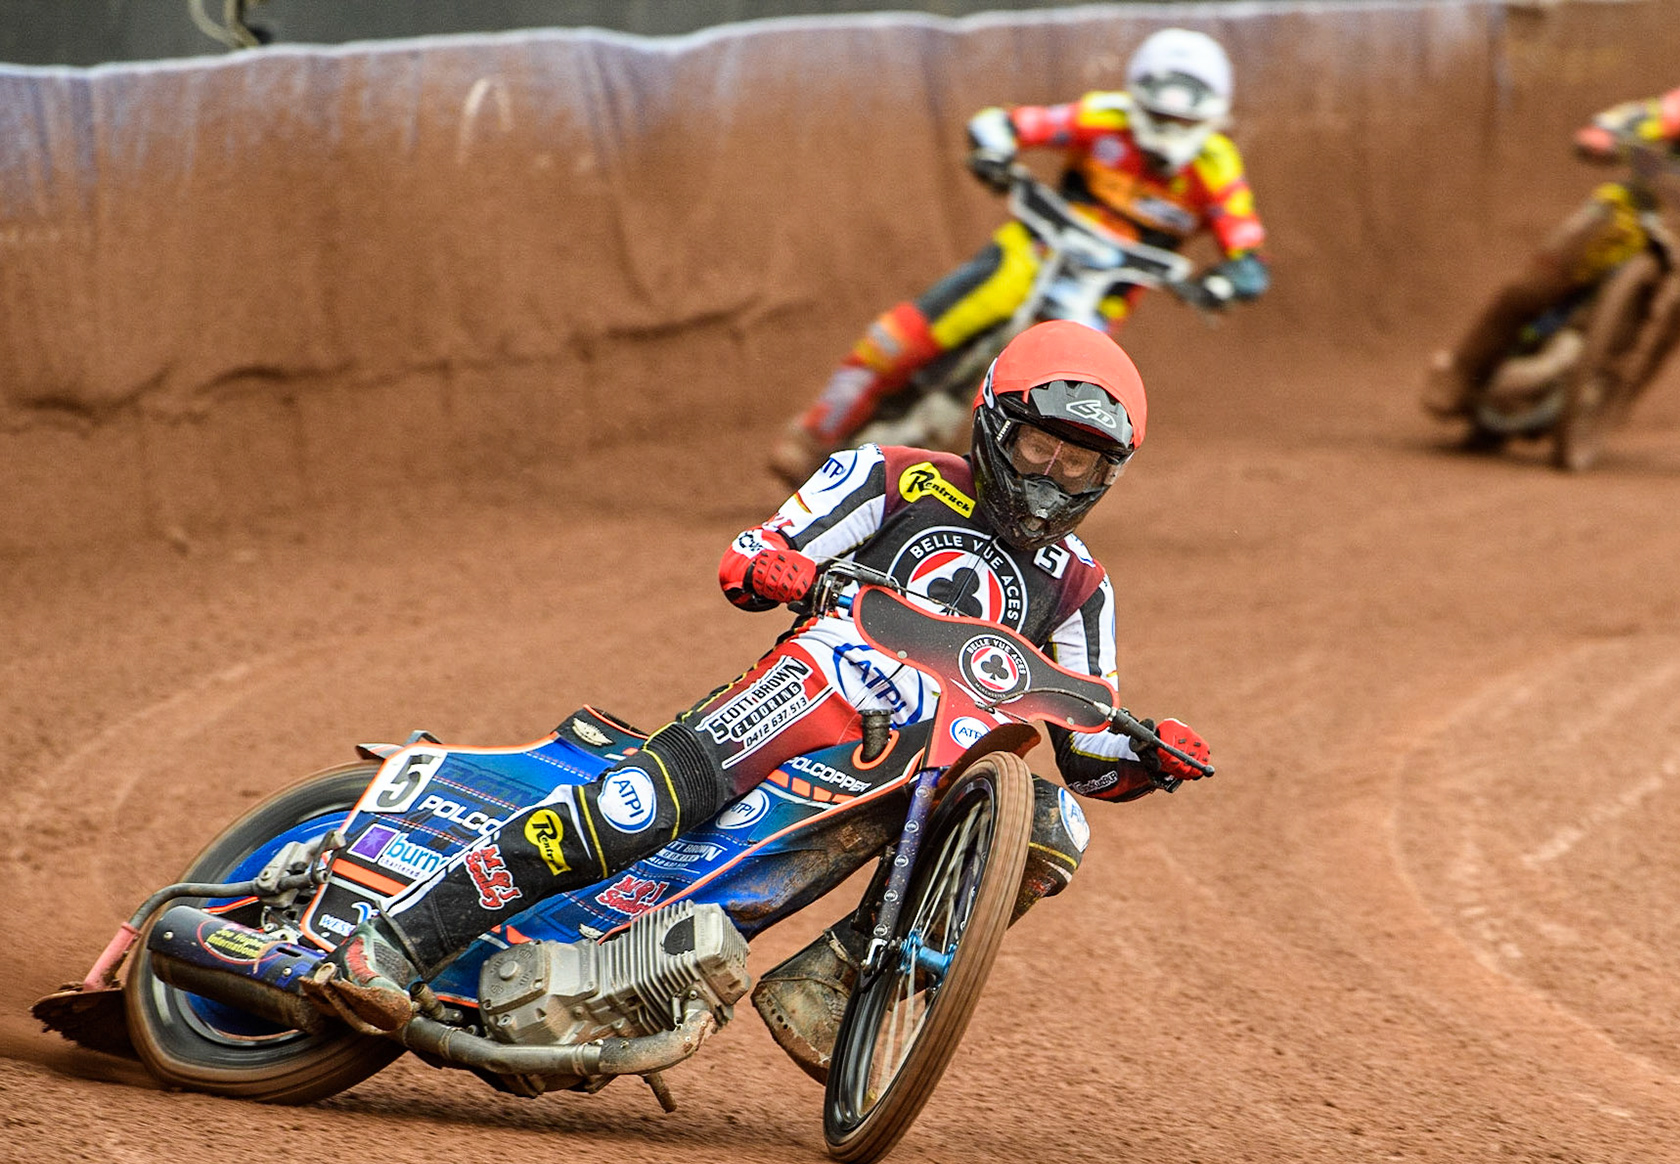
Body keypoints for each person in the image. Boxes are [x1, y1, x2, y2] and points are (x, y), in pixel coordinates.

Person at [314, 322, 1213, 1079]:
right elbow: (753, 553)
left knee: (1057, 825)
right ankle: (388, 941)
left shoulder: (1083, 587)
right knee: (636, 809)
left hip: (919, 773)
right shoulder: (889, 474)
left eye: (1083, 462)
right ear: (994, 423)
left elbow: (1088, 749)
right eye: (1042, 446)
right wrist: (774, 565)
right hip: (803, 694)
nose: (1056, 473)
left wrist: (1150, 759)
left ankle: (835, 979)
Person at [769, 27, 1270, 485]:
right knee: (906, 335)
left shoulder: (1217, 168)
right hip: (1030, 252)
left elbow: (1248, 255)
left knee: (1040, 409)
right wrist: (995, 148)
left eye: (1184, 119)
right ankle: (815, 433)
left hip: (1101, 299)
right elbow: (1011, 124)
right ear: (1139, 100)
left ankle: (968, 492)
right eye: (1161, 114)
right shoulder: (1104, 117)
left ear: (1210, 117)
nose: (1170, 128)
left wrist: (1225, 281)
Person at [1420, 33, 1680, 420]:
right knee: (1534, 284)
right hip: (1633, 208)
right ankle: (1461, 372)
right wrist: (1608, 133)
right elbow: (1658, 114)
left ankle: (1615, 404)